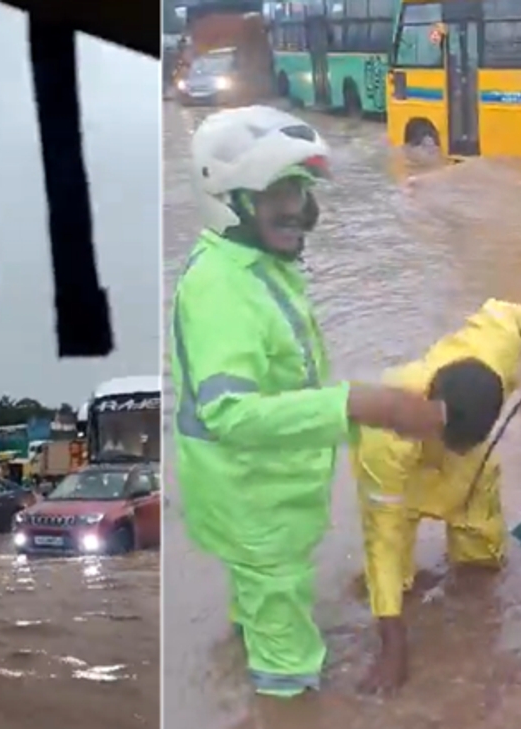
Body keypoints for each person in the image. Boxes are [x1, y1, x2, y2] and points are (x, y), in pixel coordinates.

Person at [170, 105, 447, 698]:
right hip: (257, 502)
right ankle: (279, 689)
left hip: (259, 499)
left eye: (300, 188)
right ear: (230, 197)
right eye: (277, 191)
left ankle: (246, 657)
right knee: (289, 677)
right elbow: (230, 414)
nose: (296, 206)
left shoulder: (256, 266)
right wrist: (361, 406)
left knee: (261, 605)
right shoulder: (222, 289)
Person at [350, 299, 521, 694]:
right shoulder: (385, 433)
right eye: (457, 441)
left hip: (471, 470)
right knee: (394, 570)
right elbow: (383, 537)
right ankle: (385, 612)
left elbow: (509, 313)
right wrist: (393, 642)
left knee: (484, 561)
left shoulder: (494, 351)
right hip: (408, 472)